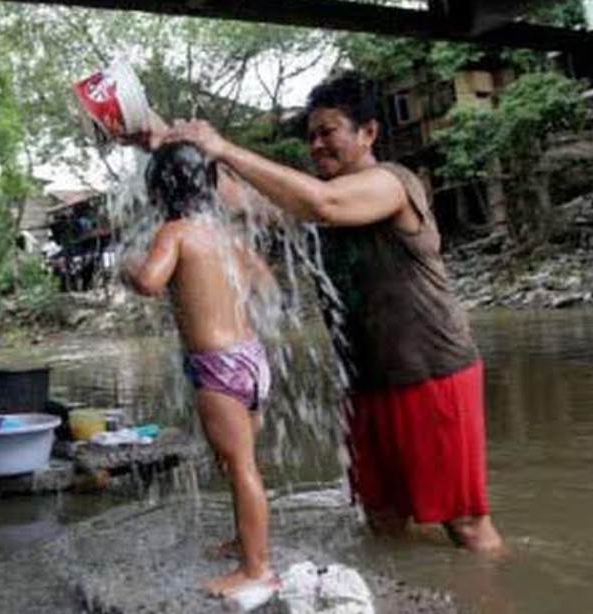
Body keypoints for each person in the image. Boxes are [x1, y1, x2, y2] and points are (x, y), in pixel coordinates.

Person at [158, 71, 504, 552]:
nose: (317, 144)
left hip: (431, 373)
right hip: (365, 380)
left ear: (368, 133)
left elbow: (325, 204)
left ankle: (494, 586)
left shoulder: (392, 183)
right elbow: (235, 197)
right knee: (381, 516)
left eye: (329, 132)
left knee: (464, 523)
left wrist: (224, 147)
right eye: (312, 135)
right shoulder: (310, 201)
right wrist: (162, 139)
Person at [123, 142, 281, 597]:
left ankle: (257, 569)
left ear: (158, 192)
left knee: (240, 465)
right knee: (236, 462)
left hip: (217, 368)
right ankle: (246, 542)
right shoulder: (228, 236)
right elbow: (267, 284)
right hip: (251, 360)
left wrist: (129, 268)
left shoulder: (174, 233)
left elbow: (150, 282)